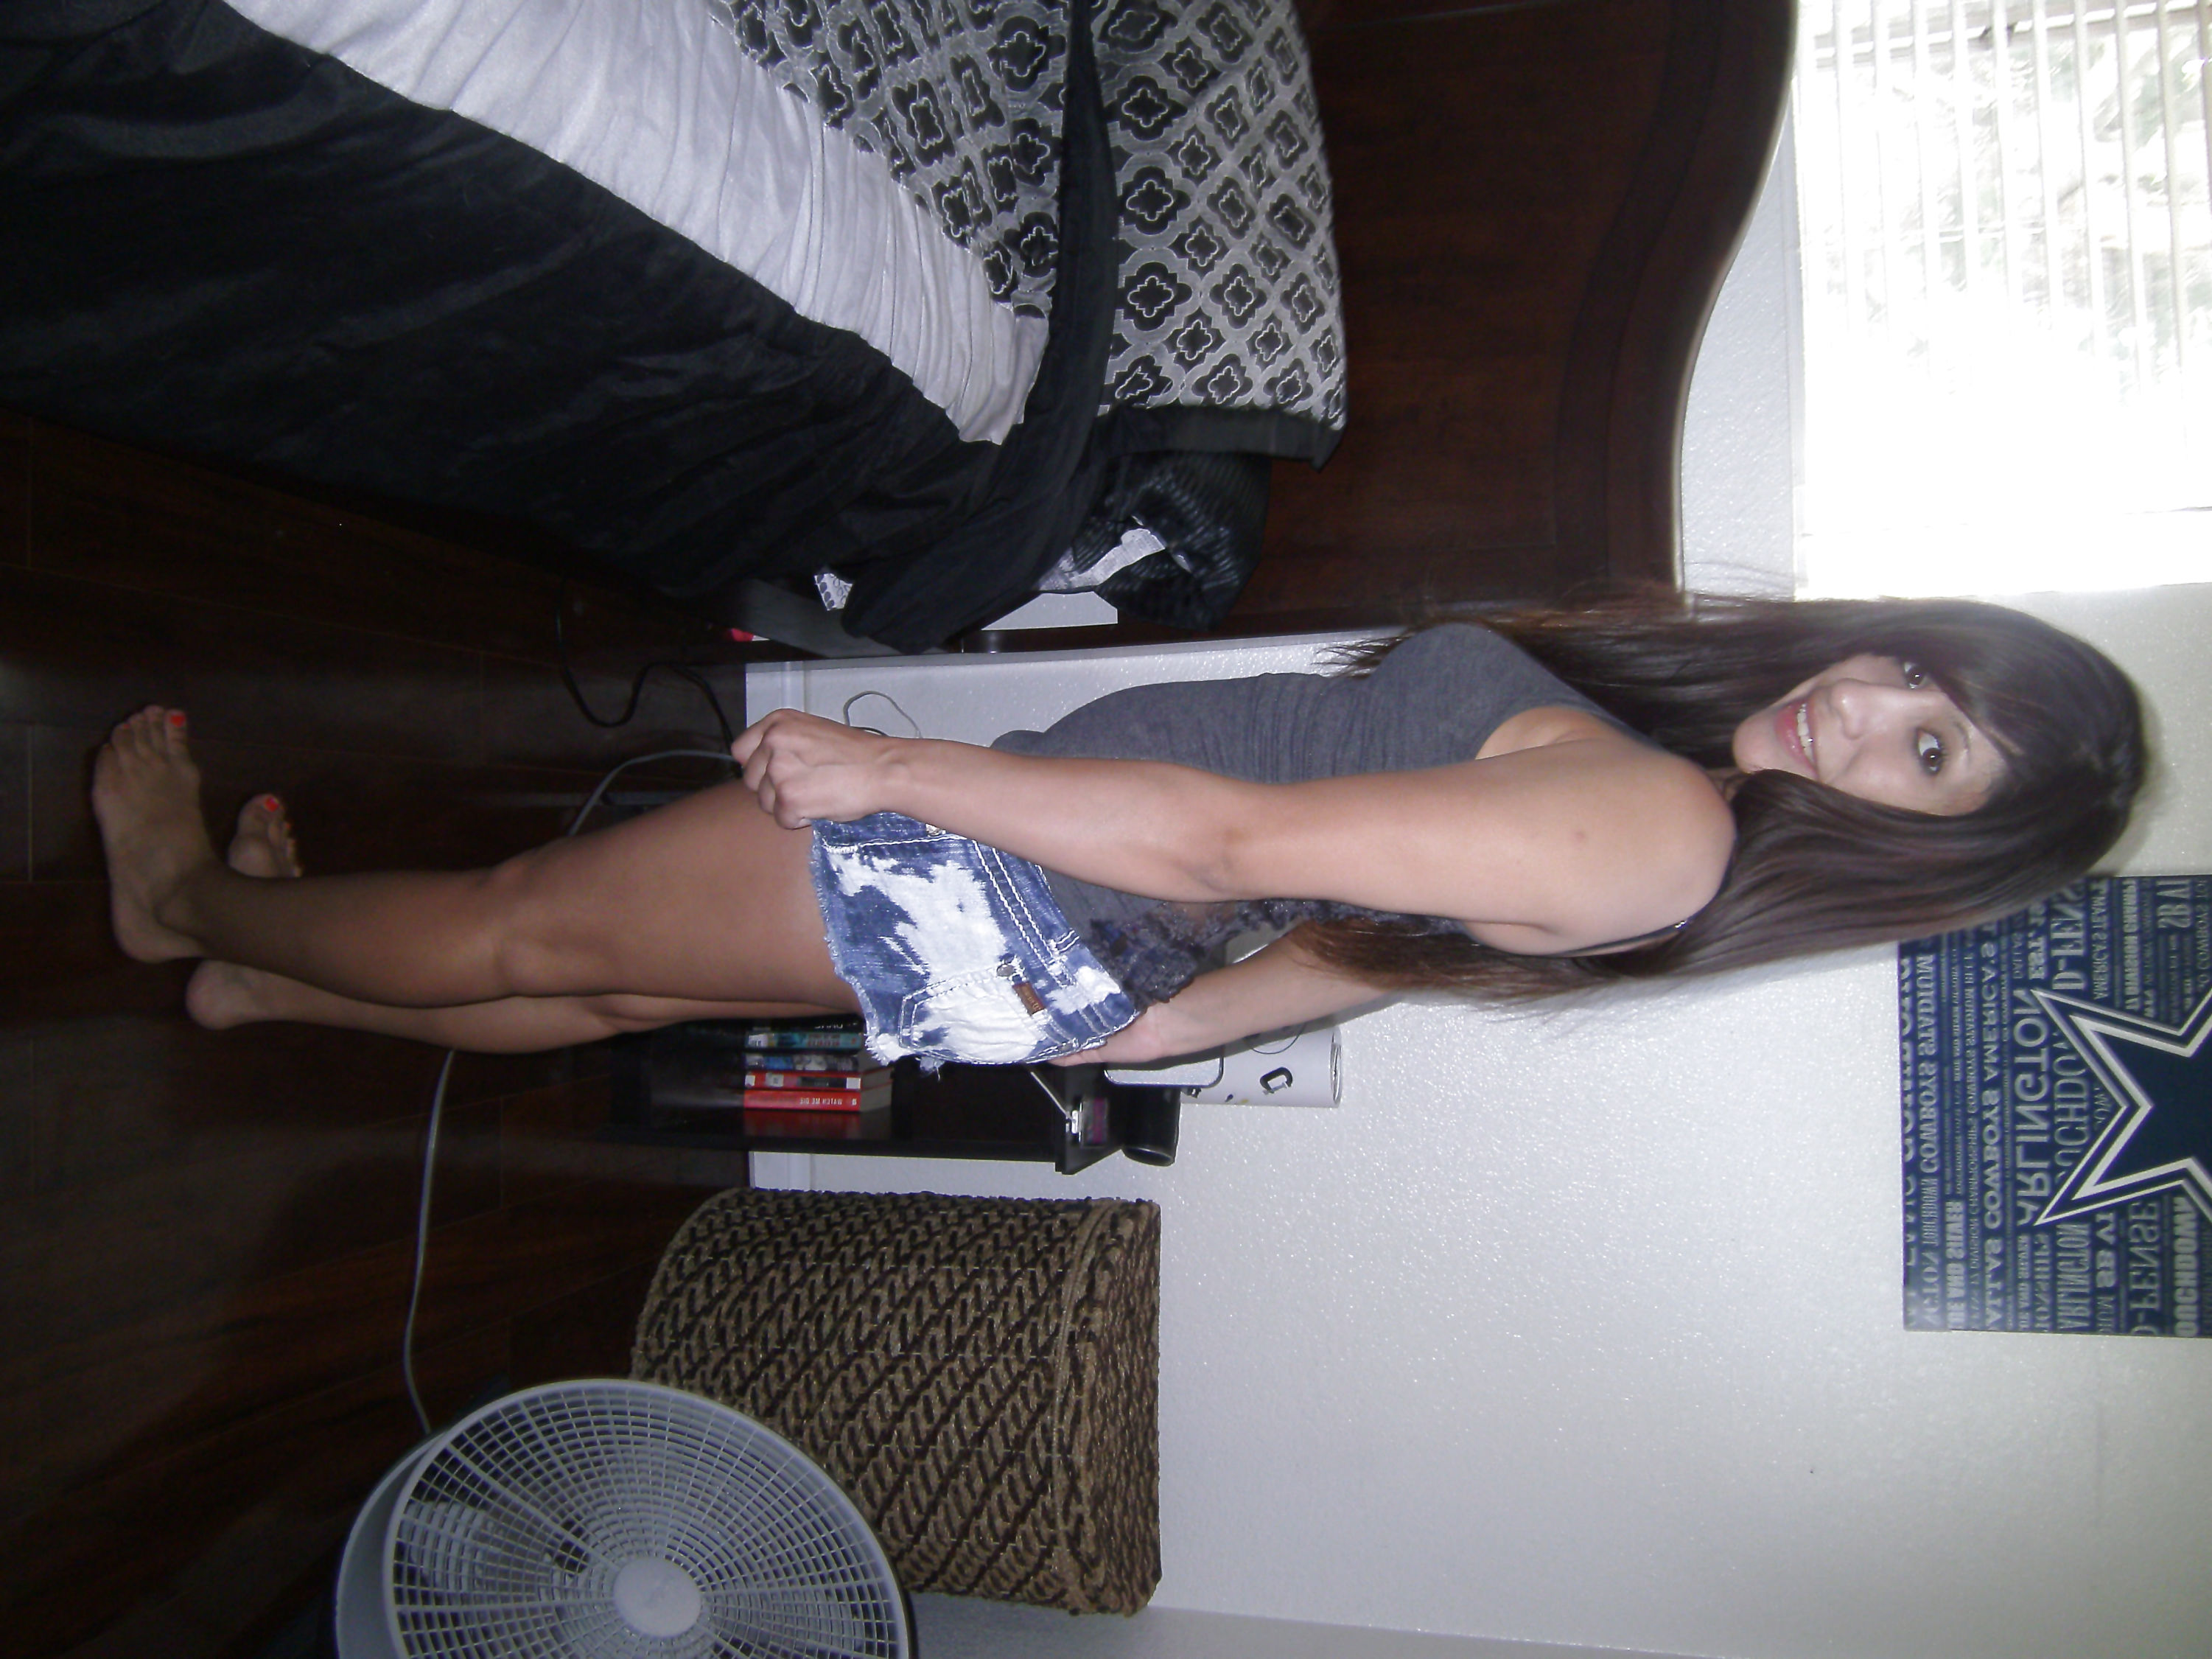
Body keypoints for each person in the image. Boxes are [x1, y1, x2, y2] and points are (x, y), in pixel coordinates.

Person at [91, 593, 2145, 1066]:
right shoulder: (1671, 815)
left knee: (531, 921)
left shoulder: (1666, 825)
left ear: (1925, 846)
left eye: (1926, 755)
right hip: (1058, 932)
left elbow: (1239, 845)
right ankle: (270, 982)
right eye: (1914, 677)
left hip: (1016, 882)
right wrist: (1163, 1029)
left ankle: (176, 897)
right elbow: (1380, 925)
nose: (1861, 713)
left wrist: (903, 775)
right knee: (615, 987)